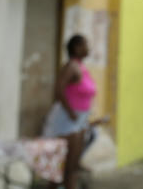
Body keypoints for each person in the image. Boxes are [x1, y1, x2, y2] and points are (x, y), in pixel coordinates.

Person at [43, 34, 97, 189]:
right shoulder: (71, 66)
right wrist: (71, 112)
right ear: (76, 47)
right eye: (85, 44)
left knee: (72, 169)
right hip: (67, 121)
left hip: (78, 121)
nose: (88, 48)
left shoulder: (81, 67)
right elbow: (58, 90)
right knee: (61, 171)